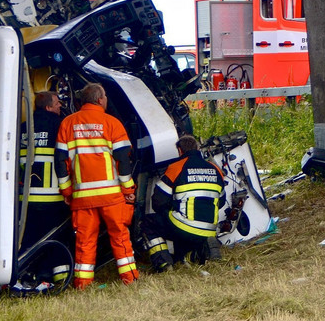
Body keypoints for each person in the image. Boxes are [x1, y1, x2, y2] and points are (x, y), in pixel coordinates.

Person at [55, 83, 138, 288]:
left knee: (84, 242)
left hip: (82, 197)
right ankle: (130, 279)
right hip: (112, 196)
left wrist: (67, 190)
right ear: (100, 99)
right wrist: (128, 190)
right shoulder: (112, 123)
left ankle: (83, 283)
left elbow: (60, 161)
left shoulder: (67, 123)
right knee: (120, 237)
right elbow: (123, 161)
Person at [144, 134, 226, 271]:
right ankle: (194, 253)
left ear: (180, 151)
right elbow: (221, 201)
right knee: (183, 222)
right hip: (209, 229)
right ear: (198, 148)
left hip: (184, 226)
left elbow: (158, 201)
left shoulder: (176, 167)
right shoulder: (215, 169)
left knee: (148, 222)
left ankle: (164, 263)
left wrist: (174, 206)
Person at [18, 91, 72, 286]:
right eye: (57, 103)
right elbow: (64, 160)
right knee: (55, 238)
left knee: (30, 239)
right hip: (52, 198)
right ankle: (53, 276)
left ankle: (26, 273)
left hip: (27, 200)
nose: (60, 106)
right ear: (48, 107)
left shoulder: (23, 128)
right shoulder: (60, 126)